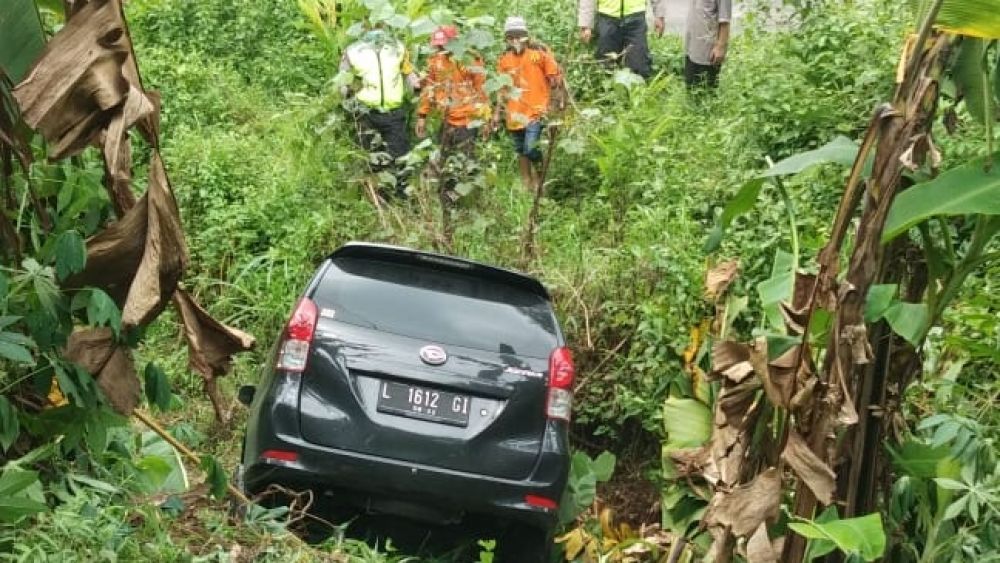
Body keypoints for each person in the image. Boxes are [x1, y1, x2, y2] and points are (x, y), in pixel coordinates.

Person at [340, 26, 420, 199]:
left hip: (393, 113)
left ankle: (401, 197)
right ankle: (376, 197)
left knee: (399, 156)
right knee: (370, 157)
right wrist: (346, 96)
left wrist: (417, 86)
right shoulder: (353, 50)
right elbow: (343, 78)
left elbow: (408, 73)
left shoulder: (398, 47)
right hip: (365, 113)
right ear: (364, 26)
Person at [416, 25, 491, 203]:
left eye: (445, 45)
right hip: (447, 119)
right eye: (438, 45)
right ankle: (446, 198)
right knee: (443, 159)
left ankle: (467, 199)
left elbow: (482, 91)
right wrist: (422, 115)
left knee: (466, 162)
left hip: (467, 119)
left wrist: (485, 118)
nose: (441, 49)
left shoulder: (470, 60)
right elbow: (428, 89)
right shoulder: (435, 61)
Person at [492, 16, 566, 193]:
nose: (515, 40)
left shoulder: (539, 53)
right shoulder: (504, 58)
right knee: (520, 150)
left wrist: (557, 103)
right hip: (514, 112)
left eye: (519, 36)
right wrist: (497, 112)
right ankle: (526, 182)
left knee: (531, 148)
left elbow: (555, 78)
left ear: (526, 36)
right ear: (507, 39)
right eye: (511, 37)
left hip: (536, 110)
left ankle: (540, 178)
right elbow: (502, 88)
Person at [577, 0, 667, 79]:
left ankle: (635, 96)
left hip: (635, 20)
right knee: (605, 69)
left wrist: (659, 15)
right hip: (607, 19)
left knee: (639, 70)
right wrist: (585, 24)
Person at [684, 0, 731, 89]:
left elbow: (725, 21)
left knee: (707, 92)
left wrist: (720, 47)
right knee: (690, 87)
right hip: (691, 49)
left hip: (708, 53)